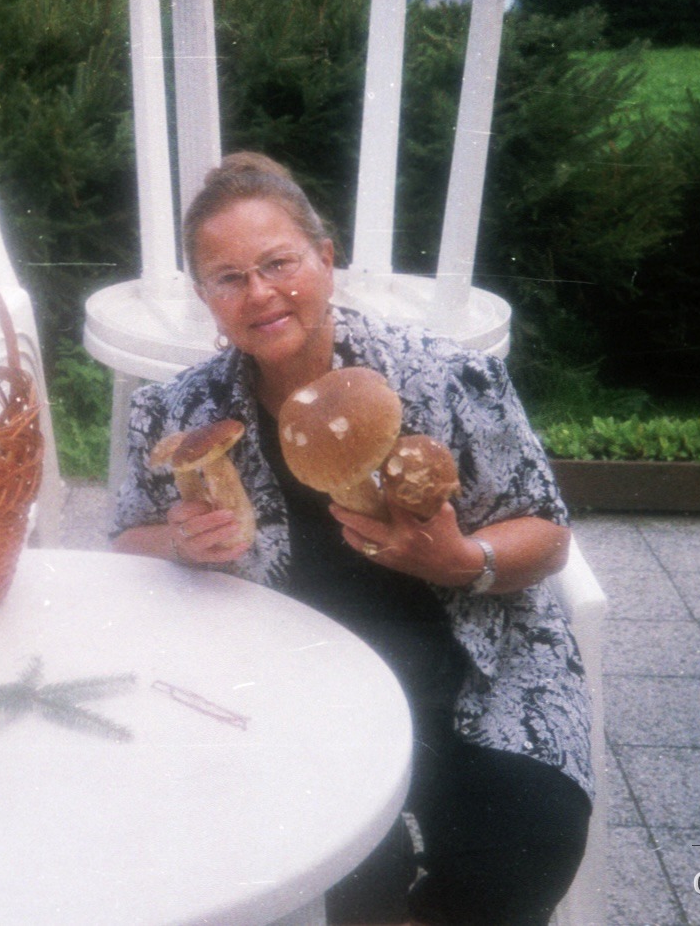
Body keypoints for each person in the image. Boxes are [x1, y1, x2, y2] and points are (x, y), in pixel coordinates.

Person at [111, 153, 591, 926]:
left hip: (470, 664)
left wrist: (464, 561)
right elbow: (123, 542)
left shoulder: (446, 378)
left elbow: (547, 534)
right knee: (328, 874)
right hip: (292, 688)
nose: (259, 293)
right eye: (227, 277)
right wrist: (175, 541)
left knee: (525, 842)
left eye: (278, 263)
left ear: (325, 260)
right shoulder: (176, 410)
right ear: (205, 296)